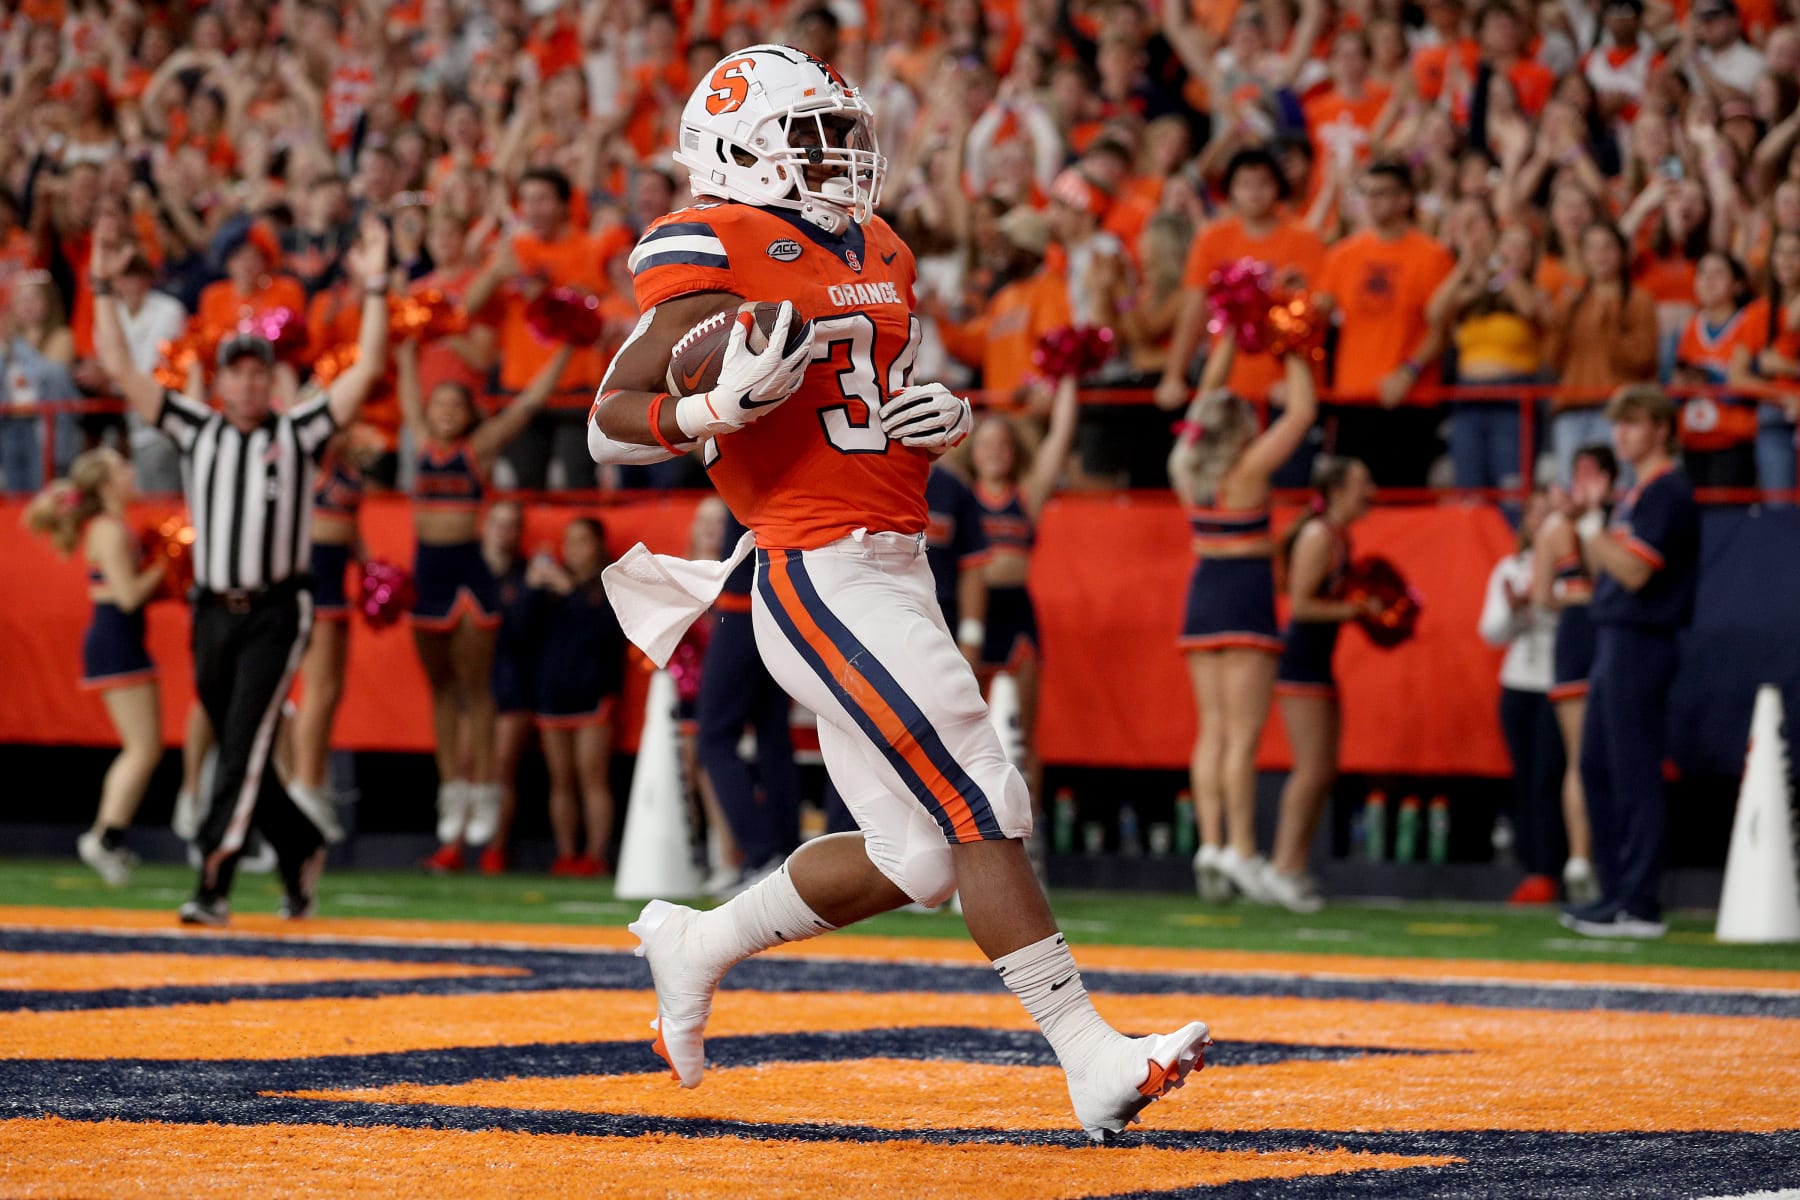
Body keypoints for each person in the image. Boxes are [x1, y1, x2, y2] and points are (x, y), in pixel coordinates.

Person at [588, 44, 1209, 1141]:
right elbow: (612, 415)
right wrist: (708, 409)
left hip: (895, 555)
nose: (843, 155)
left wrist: (944, 417)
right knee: (980, 789)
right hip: (814, 567)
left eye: (842, 132)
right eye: (812, 136)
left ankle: (700, 942)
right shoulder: (706, 237)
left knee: (915, 858)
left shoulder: (879, 244)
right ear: (739, 152)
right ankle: (1090, 1054)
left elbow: (855, 399)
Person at [89, 214, 393, 926]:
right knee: (239, 746)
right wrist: (101, 282)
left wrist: (376, 284)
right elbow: (120, 366)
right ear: (220, 379)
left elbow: (368, 369)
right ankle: (301, 845)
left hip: (276, 608)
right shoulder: (196, 427)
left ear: (273, 379)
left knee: (246, 743)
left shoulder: (299, 429)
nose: (250, 384)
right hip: (208, 609)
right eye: (238, 372)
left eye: (260, 372)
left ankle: (213, 882)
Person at [396, 337, 574, 873]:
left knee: (477, 689)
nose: (446, 414)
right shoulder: (422, 442)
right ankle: (452, 789)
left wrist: (565, 355)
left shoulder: (479, 449)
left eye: (455, 406)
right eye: (438, 406)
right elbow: (407, 396)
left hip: (469, 573)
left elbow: (526, 406)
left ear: (469, 413)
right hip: (428, 575)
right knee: (442, 690)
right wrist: (408, 347)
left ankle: (485, 790)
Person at [1169, 337, 1318, 906]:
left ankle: (1210, 846)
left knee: (1211, 729)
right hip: (1246, 601)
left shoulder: (1186, 467)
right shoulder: (1250, 468)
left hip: (1203, 595)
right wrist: (1293, 345)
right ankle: (1243, 850)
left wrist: (1228, 341)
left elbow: (1205, 399)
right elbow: (1302, 412)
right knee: (1244, 736)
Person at [1561, 385, 1700, 939]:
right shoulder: (1635, 493)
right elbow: (1608, 567)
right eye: (1619, 424)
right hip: (1616, 635)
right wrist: (1591, 521)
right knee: (1597, 765)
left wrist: (1593, 527)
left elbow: (1635, 572)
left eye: (1635, 424)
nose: (1622, 434)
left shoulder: (1665, 491)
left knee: (1633, 770)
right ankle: (1616, 891)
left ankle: (1638, 901)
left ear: (1661, 429)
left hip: (1642, 639)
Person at [24, 447, 166, 886]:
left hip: (122, 640)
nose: (131, 472)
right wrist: (169, 565)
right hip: (115, 641)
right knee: (142, 747)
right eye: (123, 469)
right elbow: (127, 596)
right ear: (106, 484)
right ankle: (104, 837)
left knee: (145, 746)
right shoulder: (107, 529)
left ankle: (109, 836)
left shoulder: (113, 526)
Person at [1269, 456, 1380, 912]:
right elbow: (1300, 606)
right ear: (1336, 490)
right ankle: (1283, 866)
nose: (1369, 489)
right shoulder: (1319, 536)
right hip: (1302, 662)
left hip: (1318, 661)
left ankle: (1293, 866)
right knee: (1311, 768)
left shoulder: (1338, 535)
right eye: (1362, 480)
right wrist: (1357, 610)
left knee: (1324, 769)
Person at [968, 374, 1081, 824]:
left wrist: (1068, 379)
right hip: (976, 614)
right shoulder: (962, 497)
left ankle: (1029, 835)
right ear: (972, 452)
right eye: (986, 443)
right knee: (969, 730)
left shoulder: (1024, 496)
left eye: (1003, 444)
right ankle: (971, 826)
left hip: (1017, 614)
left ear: (1014, 453)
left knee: (1025, 733)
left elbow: (1059, 439)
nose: (994, 451)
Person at [1315, 161, 1455, 488]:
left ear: (1405, 199)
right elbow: (1319, 314)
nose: (1373, 201)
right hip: (1353, 398)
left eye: (1382, 193)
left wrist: (1408, 371)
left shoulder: (1433, 256)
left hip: (1409, 399)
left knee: (1403, 504)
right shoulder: (1342, 255)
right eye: (1368, 193)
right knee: (1349, 501)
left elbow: (1442, 330)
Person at [695, 505, 805, 890]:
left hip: (742, 607)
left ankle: (760, 854)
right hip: (780, 609)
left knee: (713, 739)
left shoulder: (747, 448)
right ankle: (786, 854)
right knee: (773, 736)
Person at [1533, 445, 1618, 905]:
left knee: (1612, 751)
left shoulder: (1614, 518)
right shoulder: (1555, 527)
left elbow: (1617, 572)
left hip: (1610, 633)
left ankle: (1603, 856)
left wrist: (1590, 521)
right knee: (1580, 755)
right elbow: (1544, 596)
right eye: (1577, 473)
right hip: (1580, 635)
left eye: (1591, 474)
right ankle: (1581, 857)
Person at [1480, 489, 1568, 906]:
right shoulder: (1509, 567)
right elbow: (1491, 632)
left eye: (1548, 512)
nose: (1540, 520)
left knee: (1550, 777)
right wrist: (1516, 611)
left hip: (1557, 680)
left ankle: (1554, 868)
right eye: (1534, 513)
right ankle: (1533, 867)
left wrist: (1544, 603)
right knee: (1525, 778)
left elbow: (1575, 614)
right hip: (1518, 681)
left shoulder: (1572, 561)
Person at [525, 516, 627, 876]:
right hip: (553, 691)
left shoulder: (608, 584)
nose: (573, 549)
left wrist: (570, 591)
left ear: (598, 545)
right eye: (568, 542)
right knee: (561, 778)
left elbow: (608, 634)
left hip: (593, 690)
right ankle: (566, 854)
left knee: (592, 775)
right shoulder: (548, 588)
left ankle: (595, 855)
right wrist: (532, 590)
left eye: (582, 541)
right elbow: (521, 633)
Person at [1543, 222, 1661, 486]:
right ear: (1583, 256)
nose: (1600, 255)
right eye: (1592, 249)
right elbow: (1552, 360)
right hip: (1571, 410)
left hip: (1618, 412)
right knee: (1573, 493)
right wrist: (1556, 323)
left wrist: (1609, 326)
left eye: (1607, 247)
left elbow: (1644, 358)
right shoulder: (1571, 301)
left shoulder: (1639, 300)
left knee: (1617, 490)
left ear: (1621, 253)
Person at [290, 436, 363, 829]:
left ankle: (313, 780)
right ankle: (304, 786)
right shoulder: (300, 467)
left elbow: (352, 533)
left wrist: (372, 571)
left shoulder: (347, 473)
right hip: (309, 589)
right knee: (316, 692)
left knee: (331, 691)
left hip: (336, 588)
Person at [478, 499, 533, 875]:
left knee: (500, 769)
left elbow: (527, 631)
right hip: (476, 682)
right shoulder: (471, 570)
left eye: (511, 524)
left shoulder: (525, 574)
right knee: (466, 764)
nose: (503, 530)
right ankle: (454, 842)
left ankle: (494, 847)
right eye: (498, 521)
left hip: (510, 682)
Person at [1730, 228, 1800, 498]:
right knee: (1779, 509)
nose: (1786, 260)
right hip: (1775, 419)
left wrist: (1785, 367)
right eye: (1780, 252)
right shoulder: (1758, 312)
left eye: (1795, 253)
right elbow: (1736, 376)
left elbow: (1775, 364)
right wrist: (1785, 396)